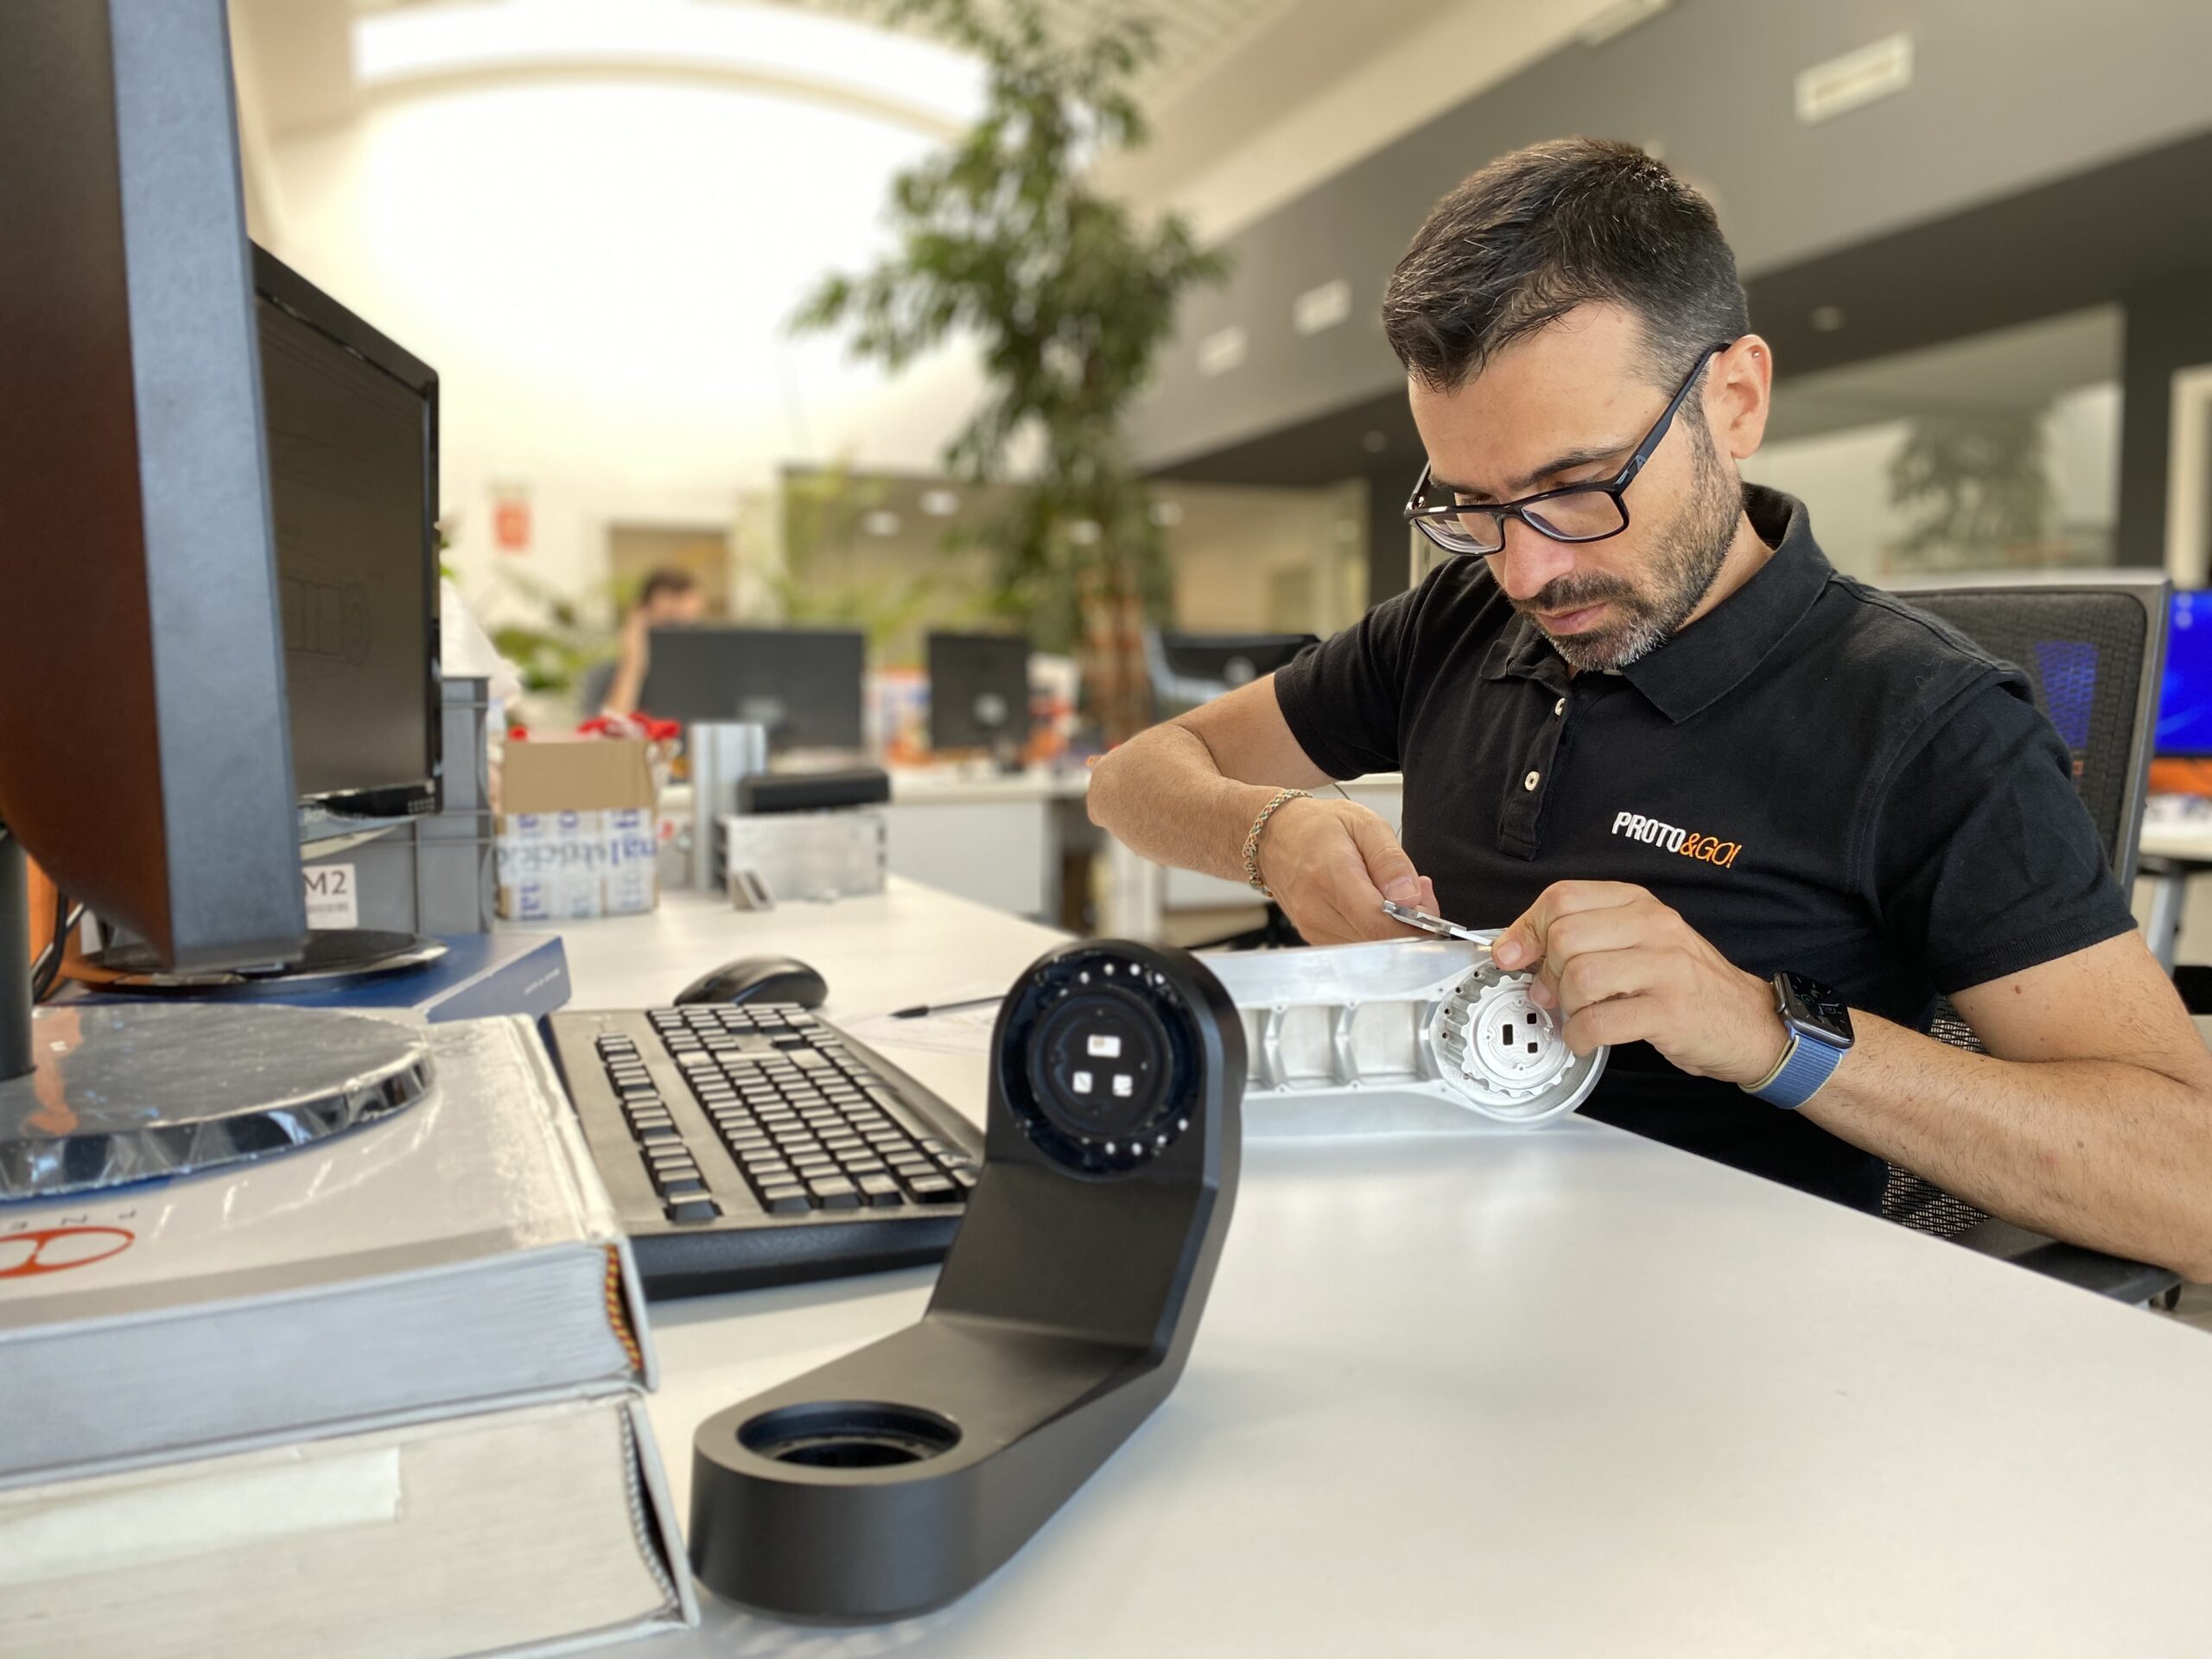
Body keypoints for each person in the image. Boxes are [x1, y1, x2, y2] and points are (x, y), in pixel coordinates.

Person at [1088, 138, 2212, 1281]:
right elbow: (1132, 776)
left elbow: (2192, 1188)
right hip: (1419, 1249)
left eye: (1577, 489)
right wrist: (1268, 835)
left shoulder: (1931, 722)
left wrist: (1769, 1033)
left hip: (1725, 1346)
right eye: (1476, 507)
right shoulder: (1453, 625)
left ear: (1735, 400)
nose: (1524, 574)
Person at [599, 568, 708, 716]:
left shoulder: (711, 671)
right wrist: (633, 664)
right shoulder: (606, 675)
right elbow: (610, 727)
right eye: (670, 624)